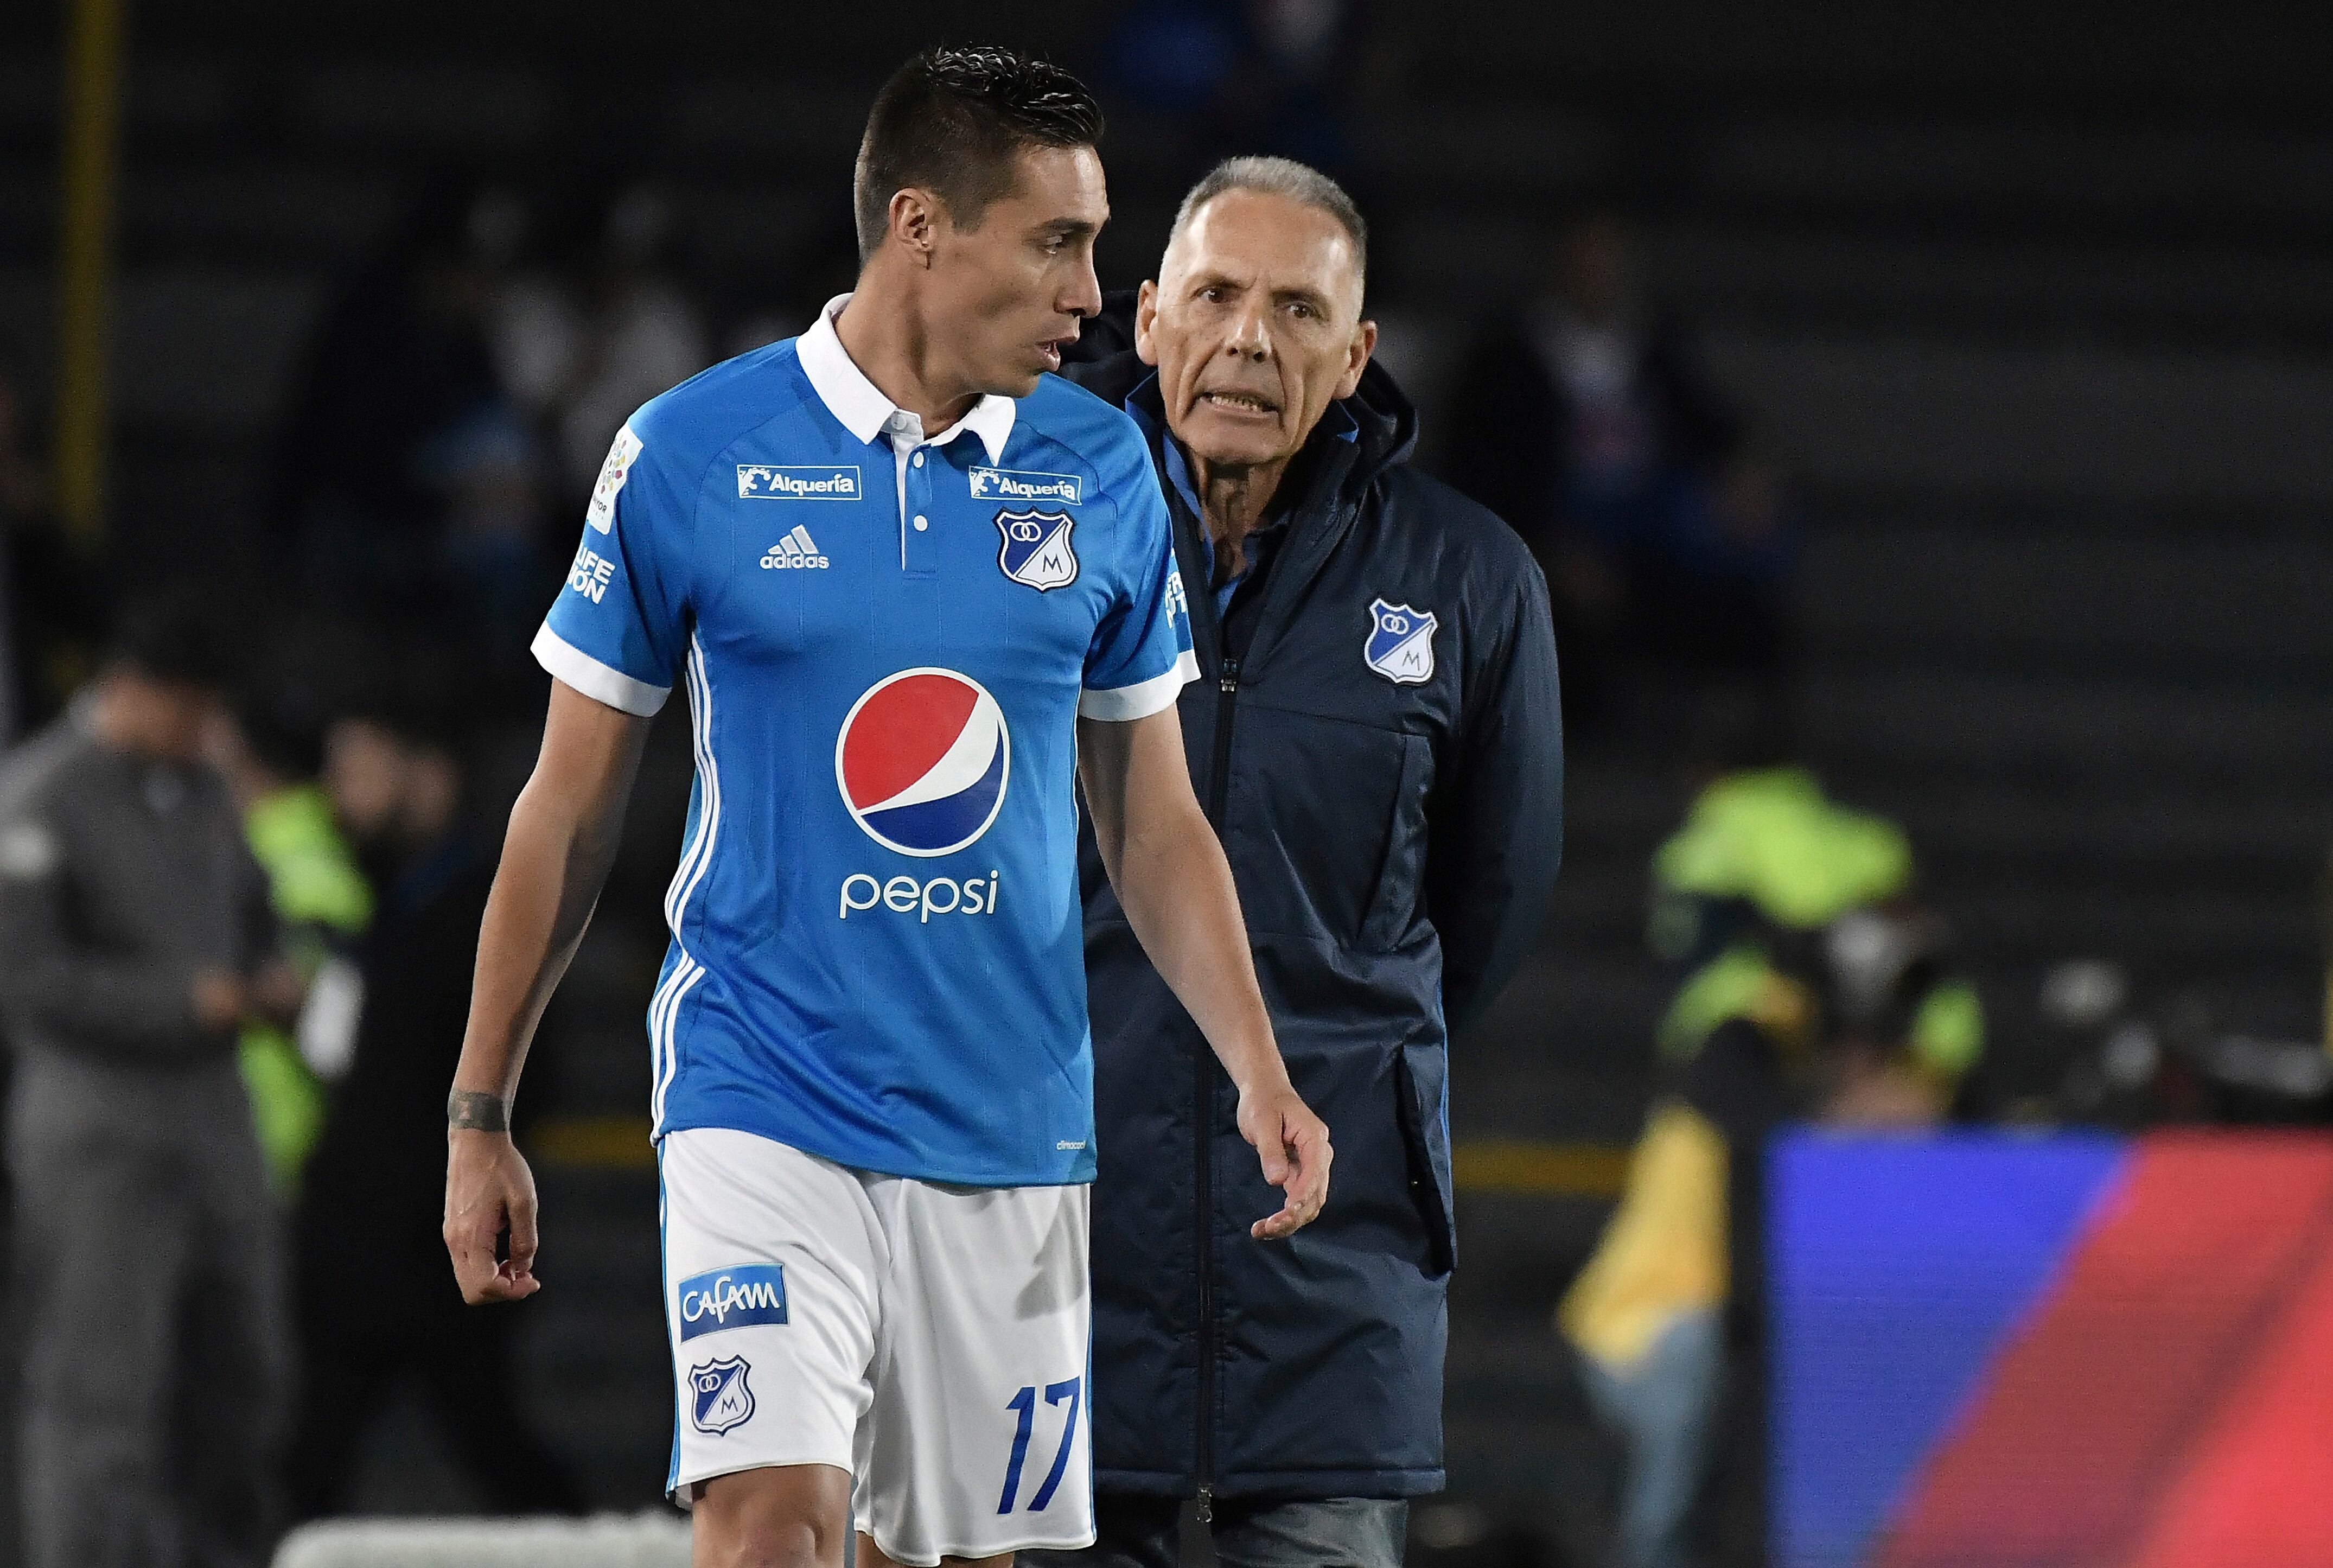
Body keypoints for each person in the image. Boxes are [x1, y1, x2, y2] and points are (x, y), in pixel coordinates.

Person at [440, 47, 1333, 1568]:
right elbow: (565, 810)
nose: (1092, 293)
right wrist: (480, 1111)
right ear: (921, 226)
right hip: (761, 1087)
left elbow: (1151, 817)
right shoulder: (689, 453)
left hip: (1009, 1119)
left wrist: (1258, 1066)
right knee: (769, 1526)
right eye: (1057, 243)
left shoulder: (1103, 469)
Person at [1038, 157, 1564, 1568]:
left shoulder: (1470, 579)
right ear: (1146, 317)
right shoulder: (1017, 535)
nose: (1249, 341)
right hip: (1055, 1257)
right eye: (1214, 296)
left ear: (1355, 353)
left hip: (1335, 1279)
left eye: (1296, 310)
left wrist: (1351, 1063)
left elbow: (1493, 899)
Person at [0, 598, 302, 1568]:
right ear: (128, 689)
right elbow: (26, 979)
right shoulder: (40, 794)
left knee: (245, 1371)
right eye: (187, 707)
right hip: (98, 1127)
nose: (201, 728)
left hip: (216, 1121)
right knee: (100, 1384)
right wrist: (181, 1002)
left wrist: (271, 974)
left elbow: (254, 906)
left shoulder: (205, 792)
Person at [1560, 905, 1972, 1568]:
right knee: (1675, 1500)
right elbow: (1793, 1137)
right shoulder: (1741, 1044)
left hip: (1726, 1328)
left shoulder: (1796, 1062)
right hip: (1644, 1325)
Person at [290, 697, 585, 1519]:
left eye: (357, 767)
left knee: (488, 1444)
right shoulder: (391, 897)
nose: (338, 791)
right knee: (314, 1456)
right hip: (361, 1243)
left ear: (427, 772)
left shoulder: (488, 909)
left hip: (439, 1245)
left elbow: (538, 1079)